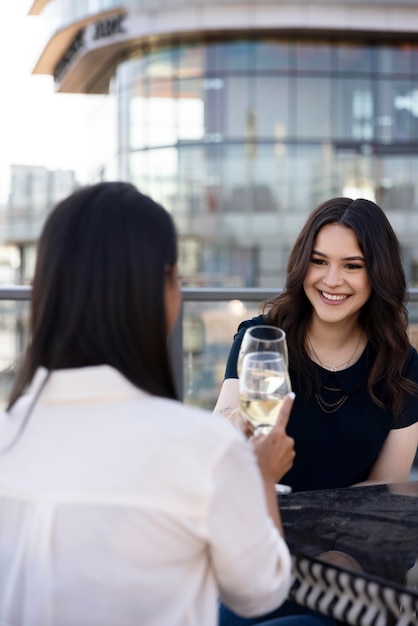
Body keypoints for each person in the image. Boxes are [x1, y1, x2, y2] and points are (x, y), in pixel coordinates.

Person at [0, 181, 329, 626]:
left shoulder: (9, 435)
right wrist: (262, 479)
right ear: (164, 290)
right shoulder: (202, 447)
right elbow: (260, 591)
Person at [215, 196, 418, 626]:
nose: (331, 280)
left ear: (377, 273)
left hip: (354, 550)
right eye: (319, 261)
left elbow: (385, 487)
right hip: (264, 540)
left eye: (352, 265)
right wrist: (233, 431)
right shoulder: (262, 340)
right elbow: (226, 431)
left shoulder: (403, 365)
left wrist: (323, 540)